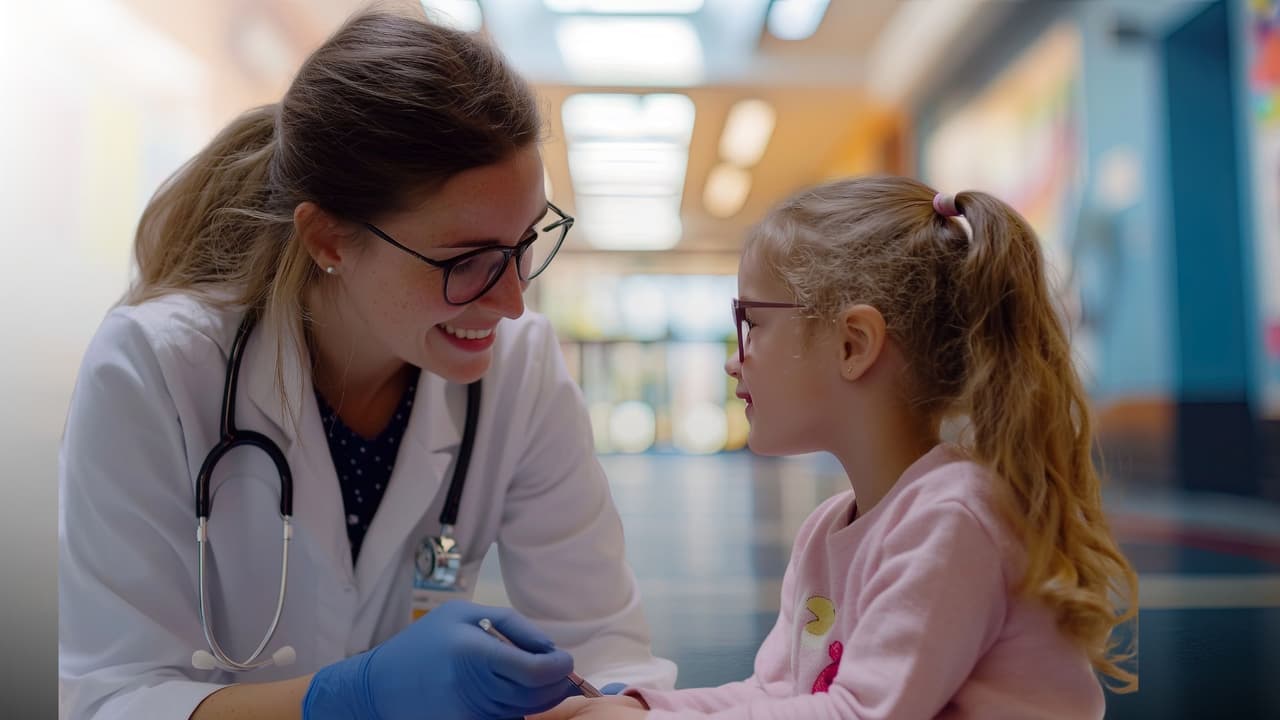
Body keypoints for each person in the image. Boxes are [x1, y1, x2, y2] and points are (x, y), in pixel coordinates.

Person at [57, 9, 675, 720]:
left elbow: (602, 643)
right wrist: (349, 698)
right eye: (466, 261)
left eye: (525, 243)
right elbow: (115, 697)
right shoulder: (154, 369)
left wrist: (622, 705)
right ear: (329, 239)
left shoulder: (521, 372)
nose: (510, 302)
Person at [533, 175, 1139, 719]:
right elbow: (778, 694)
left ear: (853, 344)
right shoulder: (827, 531)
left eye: (752, 324)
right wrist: (637, 708)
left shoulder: (951, 519)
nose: (731, 359)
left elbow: (855, 714)